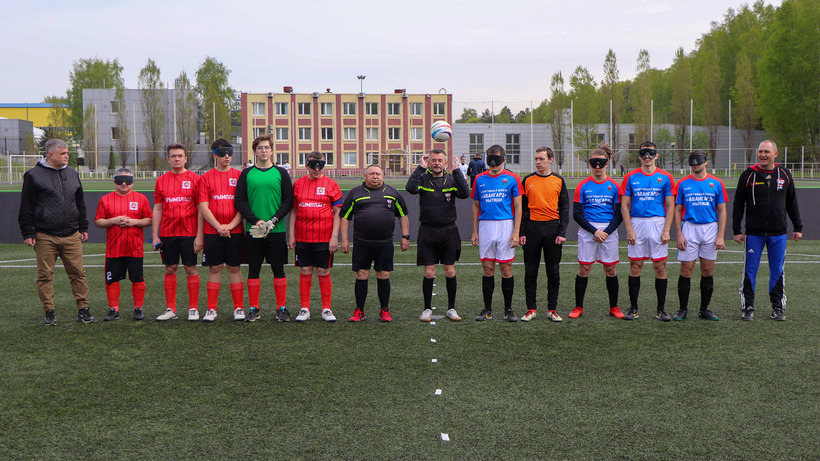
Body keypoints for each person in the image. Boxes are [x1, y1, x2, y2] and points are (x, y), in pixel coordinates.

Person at [18, 138, 95, 325]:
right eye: (63, 153)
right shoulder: (33, 175)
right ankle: (49, 311)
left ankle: (83, 309)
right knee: (45, 275)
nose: (67, 156)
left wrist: (83, 227)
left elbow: (80, 202)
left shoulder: (72, 173)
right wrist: (28, 232)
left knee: (78, 273)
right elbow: (26, 206)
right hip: (45, 235)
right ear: (51, 154)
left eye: (67, 153)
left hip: (72, 233)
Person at [732, 140, 802, 321]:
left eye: (767, 152)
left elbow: (792, 202)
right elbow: (738, 204)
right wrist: (737, 229)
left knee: (777, 270)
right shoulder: (748, 175)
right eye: (760, 151)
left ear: (775, 154)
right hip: (754, 234)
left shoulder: (784, 174)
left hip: (778, 234)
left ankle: (777, 308)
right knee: (750, 270)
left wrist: (798, 227)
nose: (763, 155)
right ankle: (748, 307)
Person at [405, 148, 470, 322]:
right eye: (433, 160)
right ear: (429, 162)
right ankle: (427, 309)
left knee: (450, 270)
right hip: (428, 231)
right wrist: (420, 168)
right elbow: (410, 188)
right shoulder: (423, 179)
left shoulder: (452, 179)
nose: (437, 163)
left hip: (449, 231)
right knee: (429, 271)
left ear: (445, 163)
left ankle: (451, 309)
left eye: (440, 160)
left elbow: (465, 194)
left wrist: (457, 171)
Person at [235, 134, 294, 322]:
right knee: (254, 269)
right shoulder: (246, 174)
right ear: (255, 151)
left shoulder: (281, 173)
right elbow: (239, 201)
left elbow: (288, 201)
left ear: (272, 150)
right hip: (254, 231)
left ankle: (281, 309)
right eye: (260, 147)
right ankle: (254, 309)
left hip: (276, 230)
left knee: (278, 269)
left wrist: (273, 220)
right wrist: (256, 221)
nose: (263, 150)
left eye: (266, 147)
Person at [340, 164, 410, 322]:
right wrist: (344, 239)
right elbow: (345, 217)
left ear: (383, 176)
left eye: (378, 173)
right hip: (362, 242)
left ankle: (384, 310)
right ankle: (359, 310)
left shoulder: (393, 193)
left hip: (384, 243)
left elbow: (403, 216)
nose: (375, 176)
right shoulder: (355, 192)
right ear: (365, 176)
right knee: (361, 275)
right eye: (371, 173)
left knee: (384, 275)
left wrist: (405, 236)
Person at [621, 141, 676, 321]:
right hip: (637, 223)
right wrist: (629, 230)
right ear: (639, 156)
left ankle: (661, 309)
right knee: (635, 266)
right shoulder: (630, 177)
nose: (647, 157)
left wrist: (667, 230)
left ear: (656, 155)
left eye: (651, 153)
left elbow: (670, 205)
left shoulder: (666, 177)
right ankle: (633, 309)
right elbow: (624, 205)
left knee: (660, 267)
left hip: (658, 224)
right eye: (643, 153)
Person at [288, 151, 343, 322]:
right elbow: (293, 210)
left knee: (323, 271)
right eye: (313, 166)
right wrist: (291, 235)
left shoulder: (332, 184)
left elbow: (338, 213)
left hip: (324, 237)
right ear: (306, 166)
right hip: (303, 236)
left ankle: (326, 309)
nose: (317, 169)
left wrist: (334, 237)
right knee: (305, 270)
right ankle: (304, 309)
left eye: (321, 165)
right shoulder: (298, 184)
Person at [673, 150, 727, 321]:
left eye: (698, 161)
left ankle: (704, 309)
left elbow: (722, 210)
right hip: (689, 228)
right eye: (692, 162)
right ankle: (683, 309)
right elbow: (677, 210)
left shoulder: (716, 183)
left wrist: (720, 235)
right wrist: (679, 234)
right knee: (686, 270)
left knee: (707, 270)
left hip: (710, 229)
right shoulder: (683, 183)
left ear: (706, 162)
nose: (695, 164)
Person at [471, 145, 523, 322]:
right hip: (485, 226)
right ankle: (487, 309)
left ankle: (508, 309)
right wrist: (475, 231)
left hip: (505, 225)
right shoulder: (479, 179)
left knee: (506, 268)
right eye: (490, 159)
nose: (493, 163)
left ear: (504, 159)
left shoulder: (513, 178)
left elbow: (518, 206)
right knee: (488, 268)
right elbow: (476, 205)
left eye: (497, 159)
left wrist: (516, 232)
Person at [572, 143, 624, 319]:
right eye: (594, 163)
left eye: (601, 163)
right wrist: (594, 231)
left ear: (607, 163)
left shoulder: (615, 186)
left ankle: (614, 307)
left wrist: (606, 232)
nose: (597, 166)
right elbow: (577, 214)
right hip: (588, 230)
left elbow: (619, 214)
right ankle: (578, 307)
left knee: (610, 269)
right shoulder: (582, 186)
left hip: (608, 230)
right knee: (584, 268)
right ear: (589, 163)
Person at [153, 143, 204, 321]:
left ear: (186, 159)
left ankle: (193, 309)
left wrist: (199, 235)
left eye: (180, 156)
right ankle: (171, 309)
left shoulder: (196, 179)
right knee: (170, 268)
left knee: (191, 268)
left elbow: (201, 209)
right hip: (168, 233)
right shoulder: (161, 180)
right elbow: (158, 209)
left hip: (190, 233)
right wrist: (155, 235)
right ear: (168, 159)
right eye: (173, 156)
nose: (177, 159)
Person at [95, 168, 152, 321]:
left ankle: (138, 308)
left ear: (133, 181)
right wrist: (114, 220)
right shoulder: (105, 199)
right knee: (112, 279)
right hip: (114, 249)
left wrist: (134, 222)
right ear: (114, 181)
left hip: (135, 248)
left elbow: (149, 219)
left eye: (128, 180)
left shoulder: (141, 198)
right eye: (120, 180)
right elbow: (98, 221)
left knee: (137, 278)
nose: (124, 183)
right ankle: (114, 309)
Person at [197, 139, 245, 322]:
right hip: (212, 232)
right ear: (215, 154)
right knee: (215, 267)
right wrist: (218, 227)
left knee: (234, 267)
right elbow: (203, 207)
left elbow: (243, 205)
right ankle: (211, 309)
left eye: (230, 153)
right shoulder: (206, 178)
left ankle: (239, 307)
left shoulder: (240, 176)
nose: (227, 156)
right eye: (223, 153)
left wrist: (230, 226)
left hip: (235, 231)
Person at [520, 146, 569, 322]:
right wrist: (521, 232)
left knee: (553, 272)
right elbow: (522, 208)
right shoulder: (527, 180)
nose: (538, 162)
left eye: (541, 159)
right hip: (532, 230)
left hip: (552, 230)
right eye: (536, 159)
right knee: (530, 272)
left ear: (550, 160)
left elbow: (564, 207)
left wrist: (562, 232)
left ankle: (552, 310)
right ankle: (531, 309)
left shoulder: (558, 180)